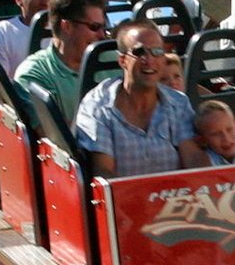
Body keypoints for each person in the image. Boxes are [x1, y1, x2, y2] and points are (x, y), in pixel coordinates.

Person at [71, 19, 205, 177]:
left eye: (157, 52)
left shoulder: (178, 104)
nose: (149, 60)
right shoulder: (98, 106)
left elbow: (193, 158)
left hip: (175, 191)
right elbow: (103, 172)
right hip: (122, 192)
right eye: (139, 52)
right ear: (123, 61)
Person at [14, 0, 108, 123]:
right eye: (94, 27)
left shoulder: (114, 60)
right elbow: (54, 132)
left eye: (104, 27)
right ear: (67, 26)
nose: (102, 35)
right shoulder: (33, 75)